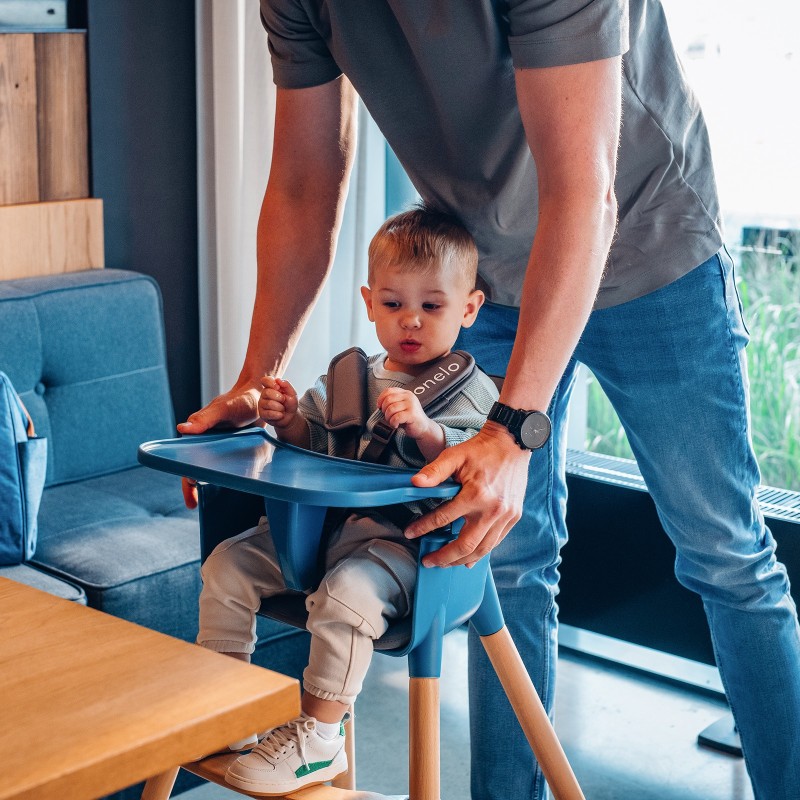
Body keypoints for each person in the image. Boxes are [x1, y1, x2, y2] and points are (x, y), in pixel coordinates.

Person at [180, 2, 800, 797]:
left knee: (726, 556)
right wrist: (255, 376)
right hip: (488, 281)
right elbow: (304, 183)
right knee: (500, 558)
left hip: (652, 249)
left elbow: (584, 191)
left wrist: (511, 430)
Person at [193, 207, 498, 795]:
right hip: (320, 532)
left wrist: (426, 431)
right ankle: (225, 704)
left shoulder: (471, 389)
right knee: (226, 565)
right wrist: (286, 423)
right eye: (392, 304)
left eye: (431, 307)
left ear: (468, 308)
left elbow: (469, 462)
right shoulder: (347, 378)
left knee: (346, 595)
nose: (410, 320)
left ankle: (319, 739)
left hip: (406, 547)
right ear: (368, 301)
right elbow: (312, 446)